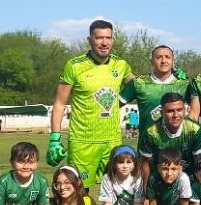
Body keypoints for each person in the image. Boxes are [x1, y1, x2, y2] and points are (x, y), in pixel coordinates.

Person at [48, 20, 135, 187]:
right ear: (89, 40)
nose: (104, 42)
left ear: (113, 40)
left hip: (112, 141)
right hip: (82, 142)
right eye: (99, 38)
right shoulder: (74, 66)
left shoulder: (121, 65)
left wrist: (170, 73)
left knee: (116, 193)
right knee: (79, 193)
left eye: (108, 38)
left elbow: (140, 86)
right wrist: (54, 138)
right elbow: (59, 103)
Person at [119, 45, 190, 136]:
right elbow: (114, 106)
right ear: (152, 62)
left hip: (177, 147)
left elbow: (198, 112)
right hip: (147, 146)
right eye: (159, 57)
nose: (163, 61)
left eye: (167, 57)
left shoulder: (185, 84)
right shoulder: (138, 83)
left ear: (173, 62)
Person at [138, 92, 201, 184]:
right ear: (162, 112)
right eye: (170, 111)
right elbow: (145, 164)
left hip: (189, 181)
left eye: (179, 110)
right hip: (160, 183)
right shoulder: (151, 133)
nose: (175, 115)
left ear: (185, 110)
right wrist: (146, 192)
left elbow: (200, 163)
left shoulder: (195, 130)